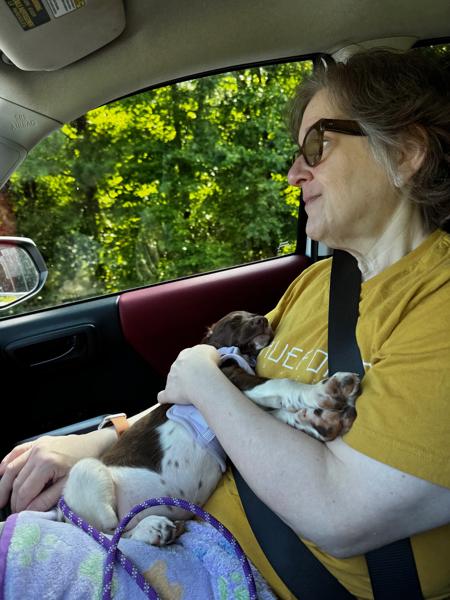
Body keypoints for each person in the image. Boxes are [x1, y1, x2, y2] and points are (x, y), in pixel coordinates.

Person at [1, 48, 449, 599]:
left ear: (405, 153)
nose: (294, 173)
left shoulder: (439, 301)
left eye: (318, 146)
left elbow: (341, 514)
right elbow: (224, 391)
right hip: (171, 526)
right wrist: (100, 443)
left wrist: (200, 374)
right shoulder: (322, 282)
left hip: (252, 576)